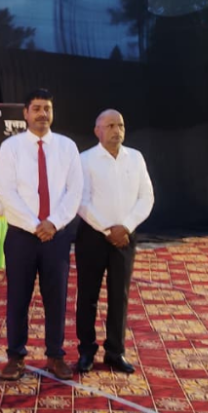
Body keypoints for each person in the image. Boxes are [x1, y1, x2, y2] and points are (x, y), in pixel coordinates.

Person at [0, 88, 82, 381]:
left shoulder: (67, 147)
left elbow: (75, 191)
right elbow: (6, 191)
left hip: (56, 236)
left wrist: (53, 223)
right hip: (21, 235)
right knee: (17, 298)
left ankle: (55, 356)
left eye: (47, 108)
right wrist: (36, 224)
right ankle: (15, 357)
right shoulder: (11, 147)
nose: (42, 114)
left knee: (56, 298)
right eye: (36, 108)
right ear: (25, 113)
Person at [76, 109, 154, 374]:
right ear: (97, 131)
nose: (116, 130)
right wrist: (106, 229)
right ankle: (86, 351)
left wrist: (126, 227)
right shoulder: (85, 159)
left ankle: (115, 351)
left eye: (120, 125)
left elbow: (147, 197)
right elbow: (81, 200)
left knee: (119, 295)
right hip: (93, 236)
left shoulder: (136, 158)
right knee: (88, 295)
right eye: (110, 126)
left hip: (125, 238)